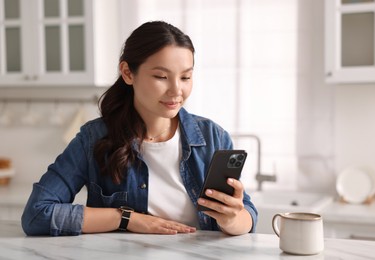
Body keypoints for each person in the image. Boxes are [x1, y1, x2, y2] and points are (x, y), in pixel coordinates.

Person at [21, 21, 258, 236]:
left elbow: (248, 217)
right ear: (127, 73)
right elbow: (37, 214)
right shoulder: (93, 139)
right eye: (161, 77)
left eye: (185, 78)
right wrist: (125, 219)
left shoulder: (212, 137)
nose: (176, 91)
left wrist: (233, 219)